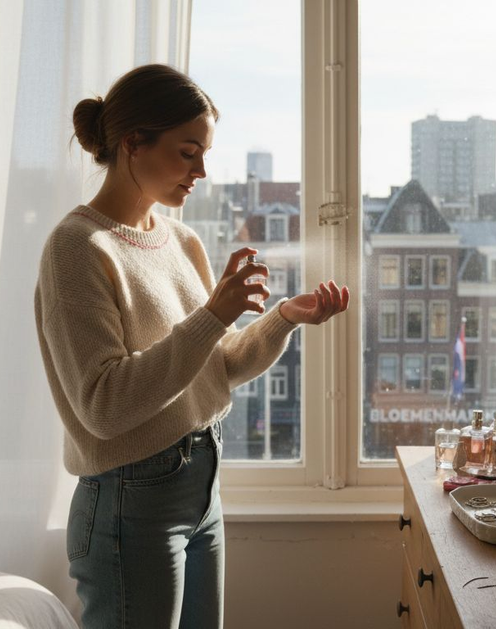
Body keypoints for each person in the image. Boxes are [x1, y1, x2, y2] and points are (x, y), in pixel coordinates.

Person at [34, 64, 349, 628]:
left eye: (204, 153)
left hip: (202, 485)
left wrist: (281, 320)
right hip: (132, 500)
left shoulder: (181, 240)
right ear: (133, 143)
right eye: (187, 152)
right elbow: (103, 407)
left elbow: (215, 366)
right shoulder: (76, 247)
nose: (202, 170)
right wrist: (212, 315)